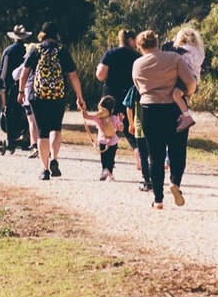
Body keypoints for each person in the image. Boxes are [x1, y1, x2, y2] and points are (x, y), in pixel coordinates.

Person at [131, 30, 197, 208]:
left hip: (149, 110)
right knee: (177, 150)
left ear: (140, 46)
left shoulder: (137, 64)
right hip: (174, 109)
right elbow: (190, 81)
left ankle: (158, 199)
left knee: (155, 155)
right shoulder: (174, 58)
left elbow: (138, 87)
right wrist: (187, 95)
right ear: (157, 43)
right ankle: (175, 182)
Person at [17, 22, 86, 180]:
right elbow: (73, 76)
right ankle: (54, 159)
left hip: (38, 96)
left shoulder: (35, 49)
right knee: (56, 128)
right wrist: (79, 97)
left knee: (42, 131)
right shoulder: (62, 50)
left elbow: (24, 73)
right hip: (58, 96)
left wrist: (21, 92)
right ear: (56, 35)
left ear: (42, 34)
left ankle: (45, 169)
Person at [96, 29, 144, 186]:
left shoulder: (111, 53)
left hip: (110, 95)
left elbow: (101, 74)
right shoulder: (137, 56)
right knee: (131, 127)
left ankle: (106, 167)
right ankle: (139, 153)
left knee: (107, 130)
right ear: (130, 40)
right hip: (130, 95)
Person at [0, 25, 33, 152]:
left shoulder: (8, 51)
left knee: (9, 111)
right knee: (25, 112)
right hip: (27, 86)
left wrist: (0, 86)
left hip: (11, 87)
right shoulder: (29, 50)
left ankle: (11, 139)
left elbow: (3, 72)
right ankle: (26, 136)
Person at [84, 95, 125, 181]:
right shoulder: (114, 118)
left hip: (102, 140)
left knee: (104, 157)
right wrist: (120, 121)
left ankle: (104, 170)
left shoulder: (98, 118)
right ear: (112, 109)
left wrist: (82, 108)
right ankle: (110, 172)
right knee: (111, 157)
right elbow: (121, 128)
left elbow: (86, 116)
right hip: (113, 141)